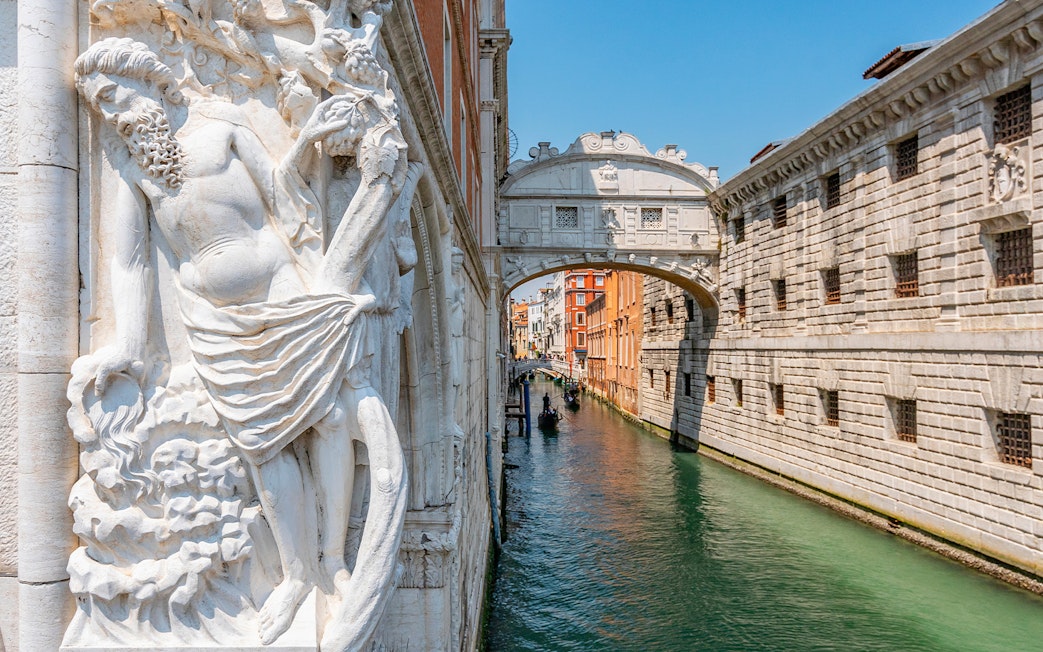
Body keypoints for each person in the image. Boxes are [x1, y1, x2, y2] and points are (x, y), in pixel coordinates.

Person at [74, 36, 416, 646]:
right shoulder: (131, 167)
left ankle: (332, 558)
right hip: (210, 318)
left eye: (113, 96)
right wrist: (130, 342)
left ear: (149, 80)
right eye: (101, 106)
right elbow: (129, 263)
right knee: (262, 445)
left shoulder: (223, 125)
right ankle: (292, 576)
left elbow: (286, 199)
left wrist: (310, 143)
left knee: (329, 416)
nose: (112, 112)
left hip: (281, 288)